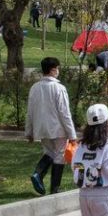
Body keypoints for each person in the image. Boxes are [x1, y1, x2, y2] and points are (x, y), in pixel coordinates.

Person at [25, 57, 77, 195]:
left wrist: (28, 132)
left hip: (41, 128)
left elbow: (29, 112)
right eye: (57, 68)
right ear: (53, 70)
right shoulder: (59, 88)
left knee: (48, 153)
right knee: (59, 156)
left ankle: (38, 173)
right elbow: (64, 112)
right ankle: (54, 188)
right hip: (58, 128)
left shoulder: (34, 88)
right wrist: (72, 135)